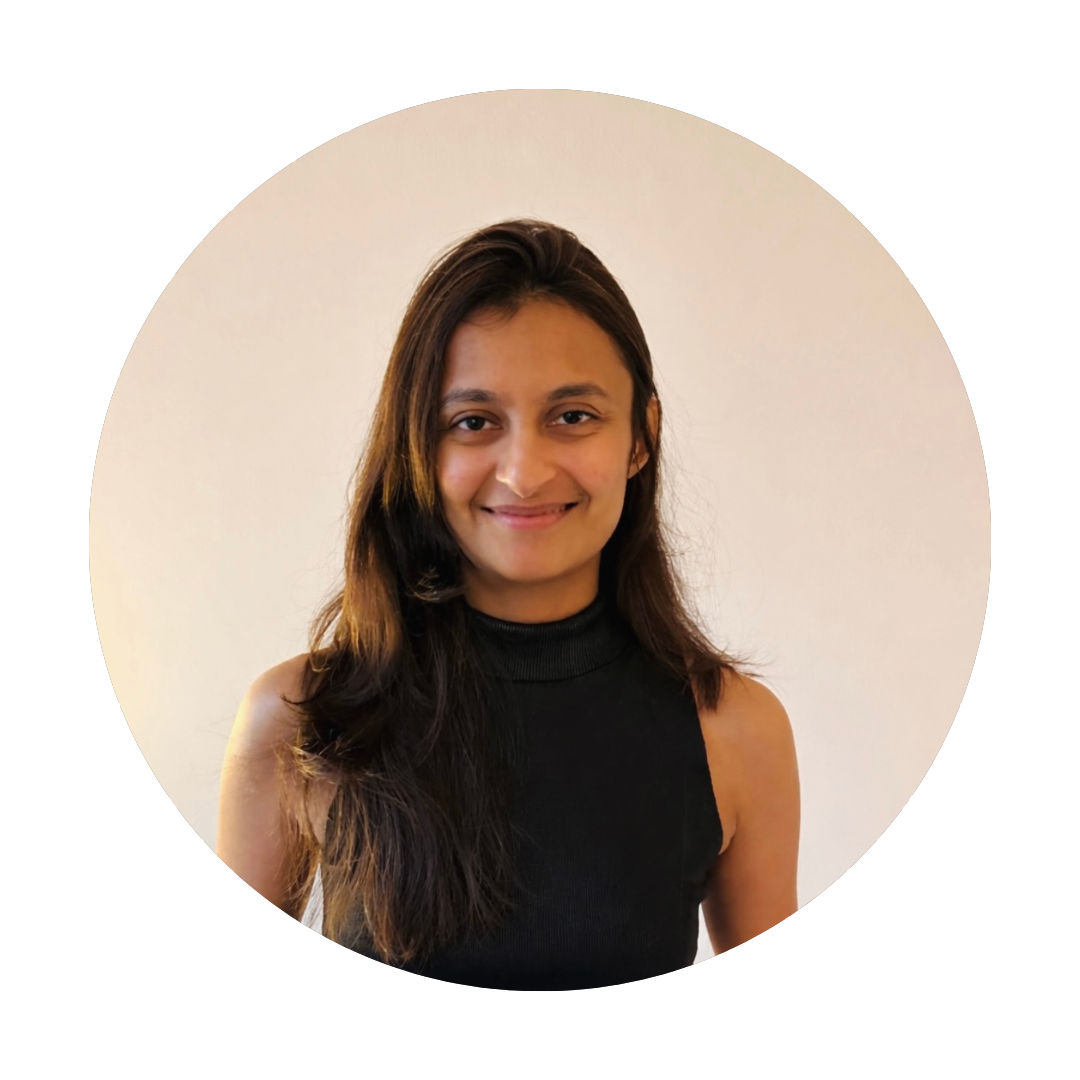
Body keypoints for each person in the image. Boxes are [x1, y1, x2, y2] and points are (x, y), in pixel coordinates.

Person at [217, 219, 800, 990]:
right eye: (473, 422)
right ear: (419, 447)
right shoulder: (302, 721)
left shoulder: (734, 731)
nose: (523, 474)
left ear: (641, 436)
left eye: (573, 416)